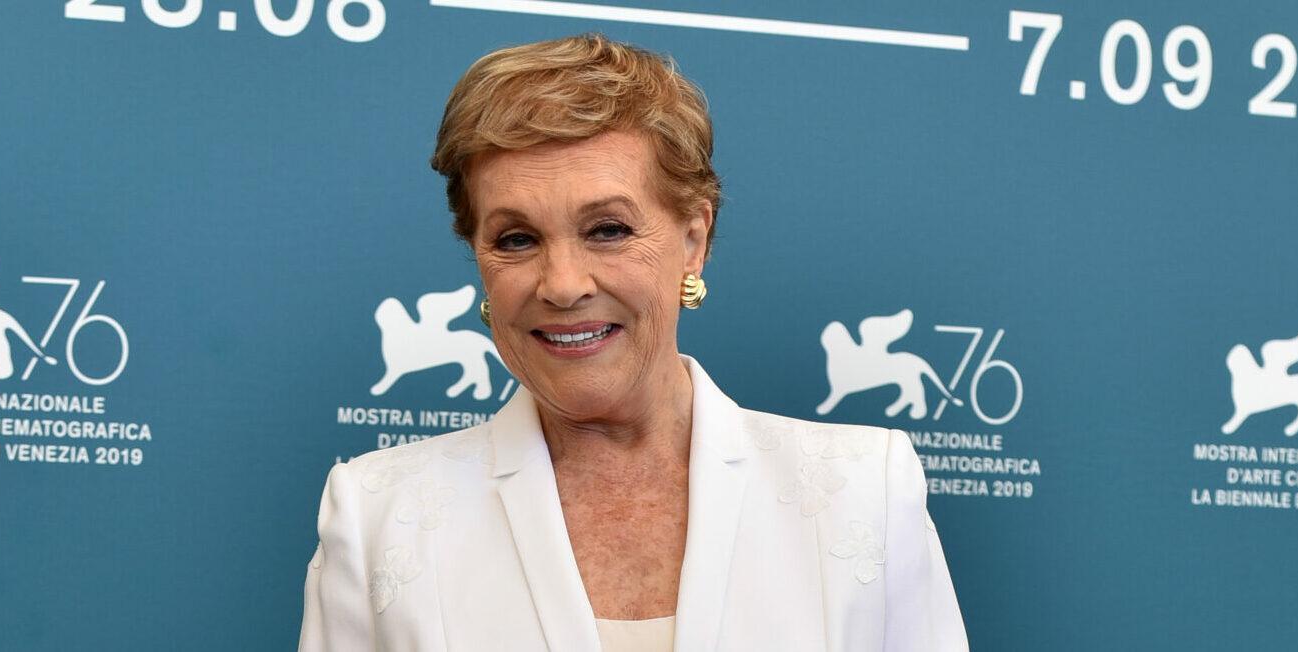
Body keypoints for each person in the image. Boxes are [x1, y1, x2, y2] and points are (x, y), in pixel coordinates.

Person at [299, 33, 968, 652]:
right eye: (516, 239)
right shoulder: (376, 514)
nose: (561, 284)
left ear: (693, 240)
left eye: (608, 229)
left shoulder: (865, 493)